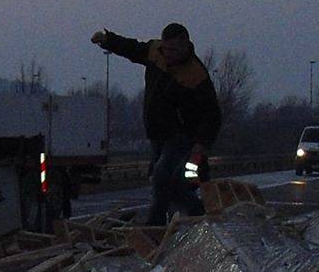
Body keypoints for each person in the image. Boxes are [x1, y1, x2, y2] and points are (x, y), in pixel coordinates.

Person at [90, 21, 222, 225]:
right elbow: (132, 48)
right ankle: (193, 216)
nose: (169, 54)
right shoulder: (155, 52)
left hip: (179, 134)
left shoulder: (195, 74)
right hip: (156, 132)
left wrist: (201, 144)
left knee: (164, 177)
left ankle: (159, 224)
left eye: (175, 50)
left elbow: (212, 114)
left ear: (186, 46)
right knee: (166, 184)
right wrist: (108, 40)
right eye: (167, 49)